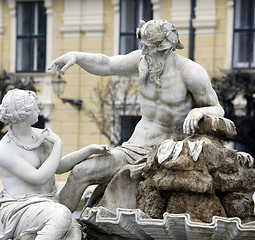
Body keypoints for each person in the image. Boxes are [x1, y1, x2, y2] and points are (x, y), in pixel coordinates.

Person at [48, 19, 225, 212]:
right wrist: (76, 56)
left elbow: (217, 109)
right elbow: (107, 64)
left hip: (169, 151)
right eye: (142, 46)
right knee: (81, 171)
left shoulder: (191, 72)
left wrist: (199, 111)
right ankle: (57, 223)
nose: (143, 52)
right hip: (134, 148)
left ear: (164, 47)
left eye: (148, 47)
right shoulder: (142, 61)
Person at [0, 89, 109, 240]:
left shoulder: (39, 135)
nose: (38, 109)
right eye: (35, 107)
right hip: (21, 208)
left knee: (74, 231)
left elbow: (58, 166)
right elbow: (39, 177)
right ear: (23, 114)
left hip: (47, 204)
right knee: (62, 215)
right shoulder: (6, 149)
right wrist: (58, 144)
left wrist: (88, 151)